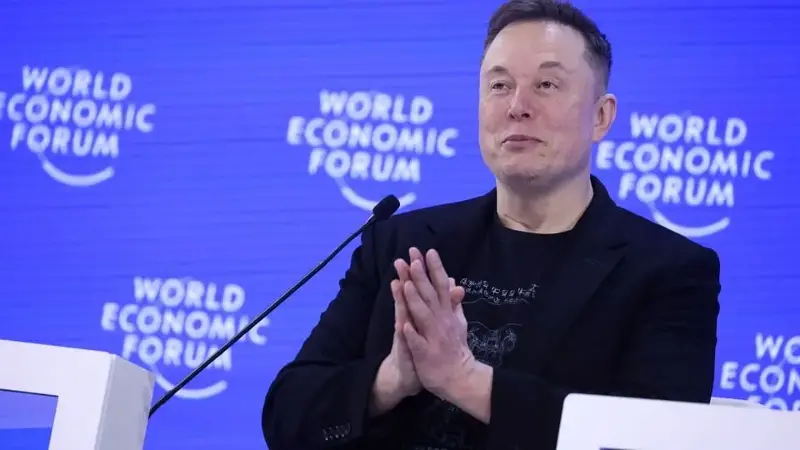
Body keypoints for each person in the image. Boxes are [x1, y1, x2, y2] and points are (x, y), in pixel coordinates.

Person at [261, 0, 721, 449]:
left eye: (547, 84)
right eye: (499, 85)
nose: (517, 106)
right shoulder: (400, 242)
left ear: (601, 117)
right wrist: (389, 380)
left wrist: (465, 379)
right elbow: (287, 414)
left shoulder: (667, 270)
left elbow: (656, 438)